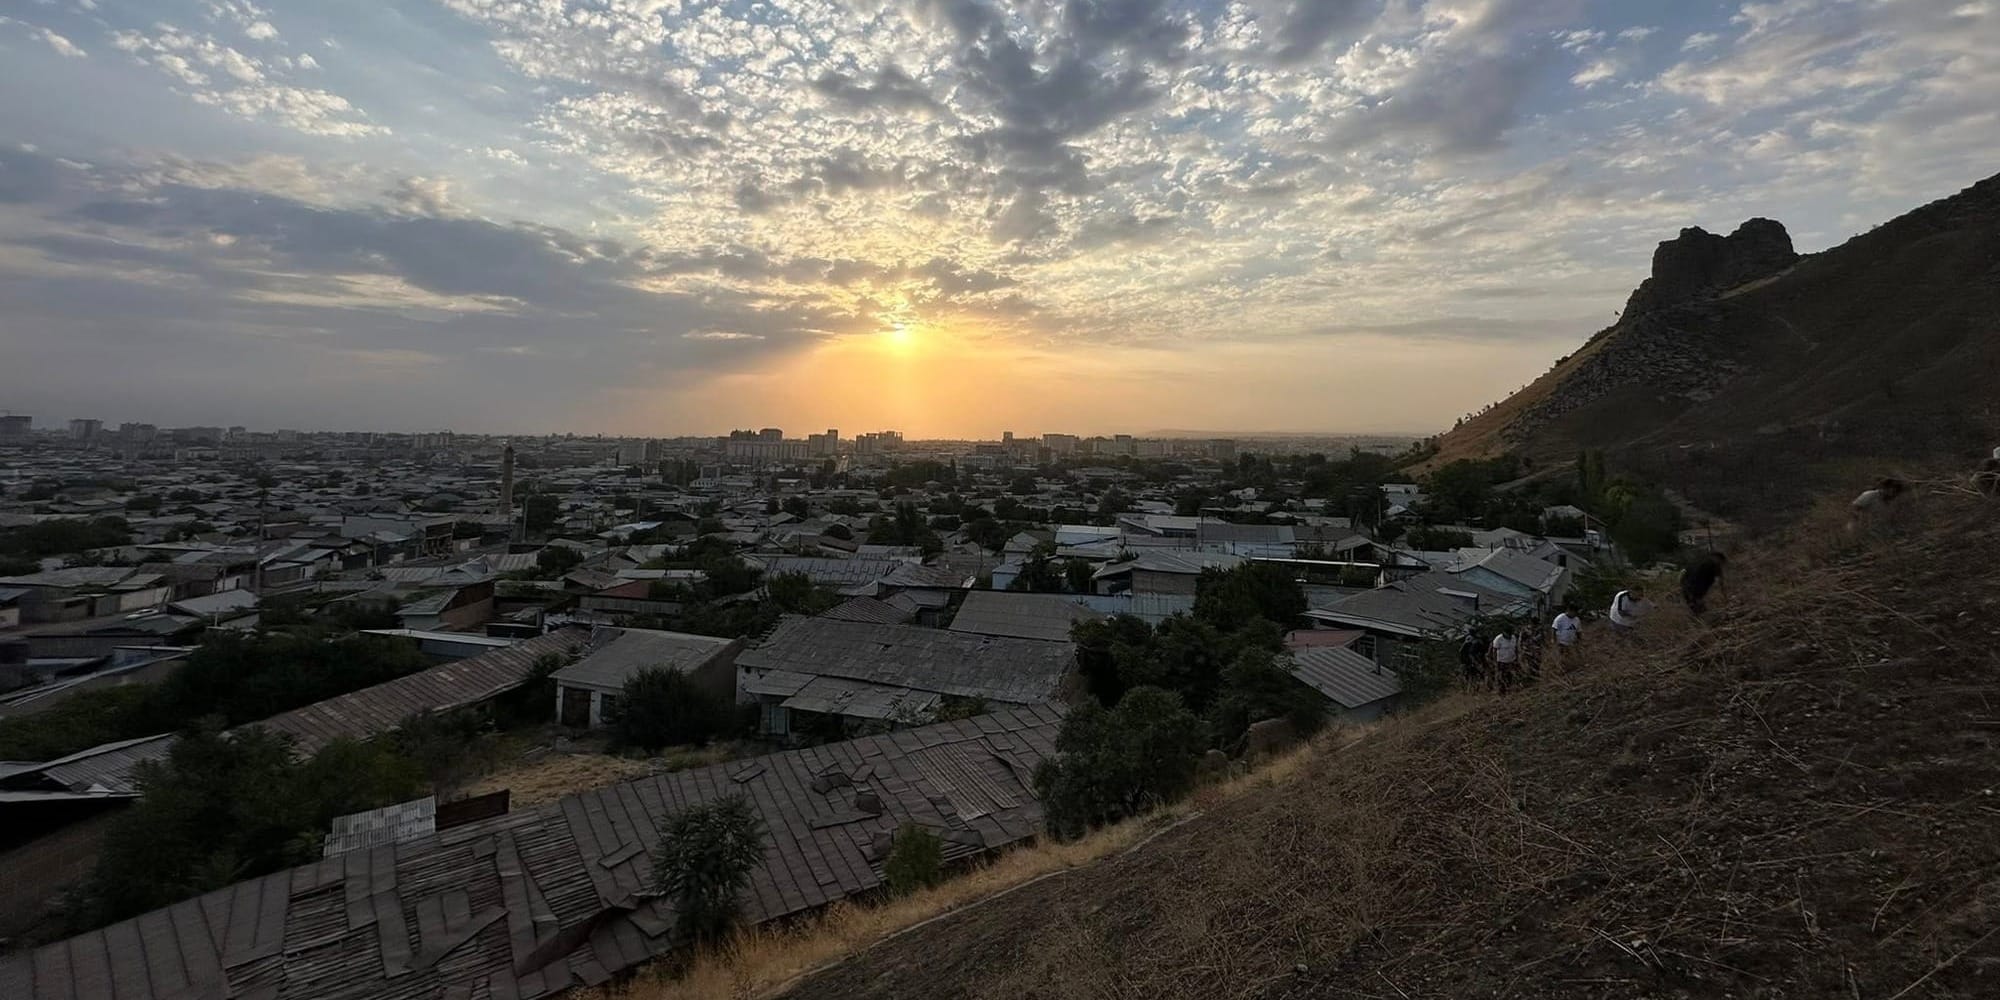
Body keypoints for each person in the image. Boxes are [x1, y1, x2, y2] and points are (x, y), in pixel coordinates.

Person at [1488, 626, 1520, 693]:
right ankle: (1501, 691)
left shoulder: (1513, 638)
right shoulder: (1498, 639)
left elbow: (1516, 648)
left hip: (1511, 660)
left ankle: (1509, 688)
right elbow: (1494, 651)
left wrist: (1517, 658)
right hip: (1501, 661)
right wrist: (1495, 661)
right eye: (1508, 633)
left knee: (1509, 675)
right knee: (1501, 677)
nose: (1509, 635)